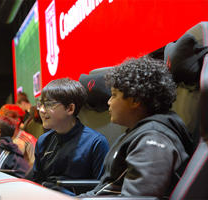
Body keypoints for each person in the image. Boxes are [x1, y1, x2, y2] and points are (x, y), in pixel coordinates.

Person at [80, 56, 194, 198]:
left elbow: (138, 197)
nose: (109, 102)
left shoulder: (153, 140)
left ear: (135, 100)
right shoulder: (137, 132)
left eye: (114, 95)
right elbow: (105, 188)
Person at [30, 78, 110, 195]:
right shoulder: (43, 141)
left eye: (48, 104)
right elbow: (36, 181)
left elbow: (102, 189)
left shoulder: (96, 142)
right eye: (40, 104)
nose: (41, 110)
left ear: (70, 109)